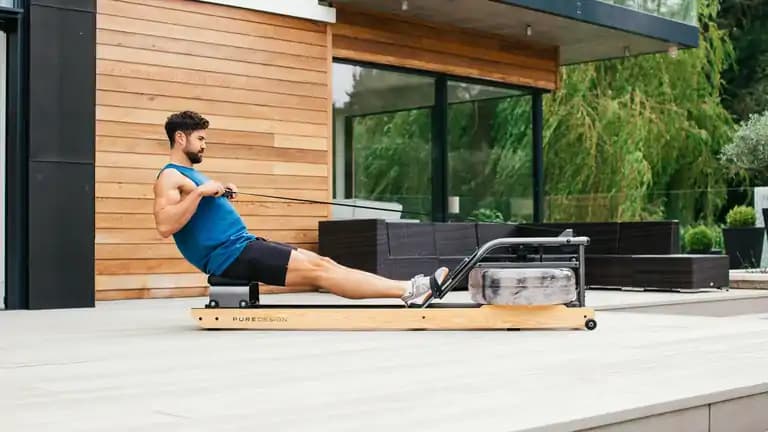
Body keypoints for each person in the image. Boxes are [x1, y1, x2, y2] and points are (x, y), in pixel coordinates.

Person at [152, 111, 448, 306]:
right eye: (200, 139)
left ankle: (409, 288)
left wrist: (218, 194)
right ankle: (410, 290)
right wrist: (201, 192)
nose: (204, 145)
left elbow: (199, 210)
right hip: (230, 255)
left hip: (243, 245)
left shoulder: (189, 175)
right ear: (180, 137)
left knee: (325, 264)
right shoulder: (170, 176)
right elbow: (165, 226)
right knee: (320, 271)